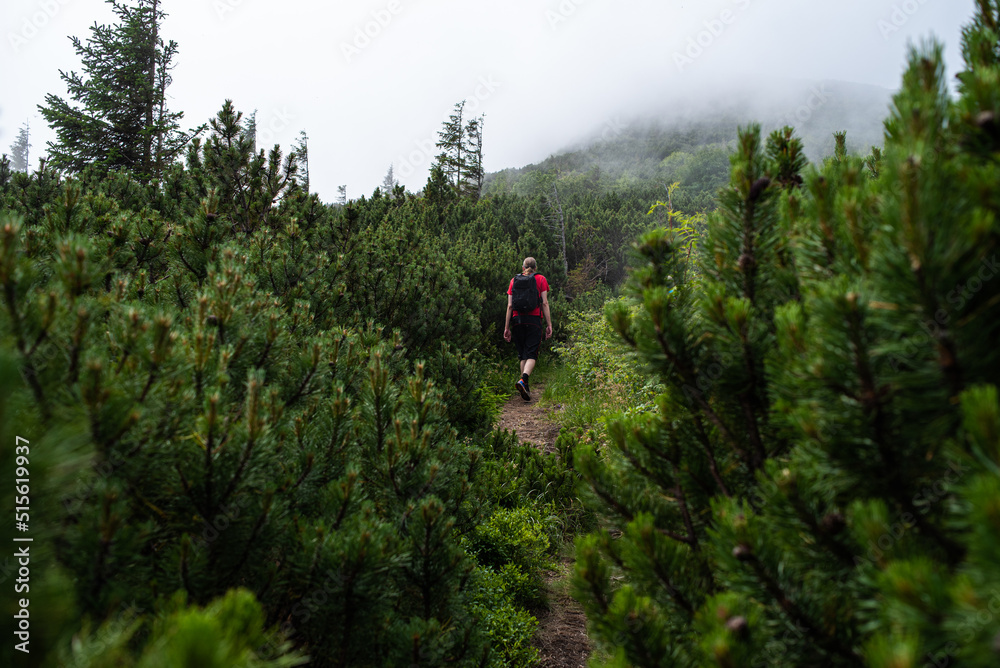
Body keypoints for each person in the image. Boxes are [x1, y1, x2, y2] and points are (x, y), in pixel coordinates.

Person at [503, 257, 553, 401]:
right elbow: (544, 303)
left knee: (523, 355)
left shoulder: (514, 280)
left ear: (523, 267)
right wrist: (549, 324)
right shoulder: (541, 279)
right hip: (534, 320)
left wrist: (506, 327)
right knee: (531, 354)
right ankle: (524, 379)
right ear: (535, 268)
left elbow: (510, 306)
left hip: (517, 320)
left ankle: (525, 386)